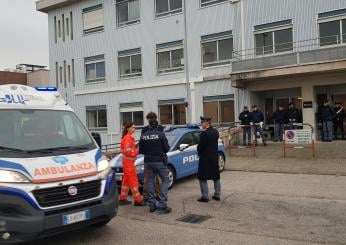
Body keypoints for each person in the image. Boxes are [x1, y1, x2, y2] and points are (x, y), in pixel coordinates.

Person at [139, 118, 171, 214]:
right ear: (157, 126)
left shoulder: (143, 136)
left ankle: (152, 205)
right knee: (166, 180)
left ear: (149, 126)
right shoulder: (161, 134)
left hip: (148, 161)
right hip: (159, 161)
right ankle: (162, 204)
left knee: (150, 182)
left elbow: (141, 151)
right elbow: (167, 149)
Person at [119, 122, 146, 206]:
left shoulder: (127, 137)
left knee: (126, 182)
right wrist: (136, 151)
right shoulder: (128, 138)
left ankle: (122, 199)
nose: (134, 129)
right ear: (128, 128)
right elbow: (128, 151)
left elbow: (124, 150)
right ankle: (138, 200)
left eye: (135, 127)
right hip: (128, 163)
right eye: (132, 127)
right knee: (133, 182)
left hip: (127, 163)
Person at [141, 112, 164, 202]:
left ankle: (150, 195)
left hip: (149, 158)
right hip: (157, 157)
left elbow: (142, 144)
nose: (148, 121)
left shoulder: (147, 129)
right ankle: (152, 194)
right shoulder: (158, 129)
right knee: (151, 178)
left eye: (149, 119)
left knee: (150, 178)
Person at [197, 116, 221, 202]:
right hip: (214, 157)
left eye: (202, 123)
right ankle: (217, 195)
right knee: (216, 176)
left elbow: (200, 147)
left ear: (206, 123)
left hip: (205, 158)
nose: (201, 124)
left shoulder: (204, 134)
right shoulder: (215, 132)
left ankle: (205, 196)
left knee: (202, 177)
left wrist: (199, 153)